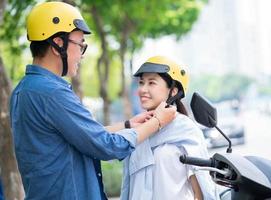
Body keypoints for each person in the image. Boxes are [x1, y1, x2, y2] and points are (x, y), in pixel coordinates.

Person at [9, 2, 176, 200]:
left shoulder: (24, 90)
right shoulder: (52, 93)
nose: (81, 54)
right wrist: (157, 122)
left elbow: (79, 138)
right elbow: (105, 145)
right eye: (80, 45)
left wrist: (128, 125)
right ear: (58, 44)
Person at [120, 56, 218, 200]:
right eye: (141, 83)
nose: (143, 89)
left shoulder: (186, 130)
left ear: (173, 91)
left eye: (151, 83)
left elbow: (201, 191)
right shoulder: (138, 132)